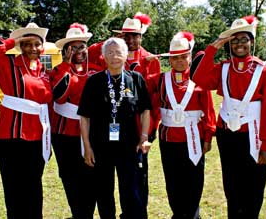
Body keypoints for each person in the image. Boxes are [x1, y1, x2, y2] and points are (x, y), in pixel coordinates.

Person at [191, 15, 266, 219]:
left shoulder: (264, 71)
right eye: (234, 40)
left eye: (244, 39)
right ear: (229, 44)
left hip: (253, 136)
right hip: (228, 136)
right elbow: (199, 79)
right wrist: (213, 48)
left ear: (252, 42)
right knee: (232, 187)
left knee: (253, 189)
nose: (239, 44)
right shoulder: (223, 67)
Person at [0, 23, 52, 218]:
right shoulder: (7, 65)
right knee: (14, 190)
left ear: (43, 46)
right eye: (26, 44)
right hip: (12, 137)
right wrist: (12, 42)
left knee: (34, 187)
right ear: (20, 46)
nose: (32, 48)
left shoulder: (44, 72)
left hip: (38, 139)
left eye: (36, 43)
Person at [78, 37, 152, 219]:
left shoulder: (136, 79)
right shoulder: (94, 81)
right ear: (103, 56)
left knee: (130, 189)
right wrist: (87, 147)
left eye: (119, 52)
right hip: (101, 146)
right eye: (110, 52)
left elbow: (145, 111)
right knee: (103, 191)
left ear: (126, 55)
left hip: (129, 145)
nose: (115, 56)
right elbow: (84, 117)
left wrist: (144, 137)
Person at [147, 31, 216, 219]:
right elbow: (151, 109)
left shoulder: (198, 80)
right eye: (175, 57)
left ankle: (193, 215)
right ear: (170, 59)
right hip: (168, 140)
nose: (179, 61)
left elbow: (208, 109)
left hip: (194, 138)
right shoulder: (159, 80)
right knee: (173, 181)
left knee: (194, 181)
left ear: (190, 57)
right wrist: (148, 133)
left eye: (183, 57)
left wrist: (208, 137)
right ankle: (178, 214)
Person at [50, 23, 104, 218]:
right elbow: (59, 97)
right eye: (72, 48)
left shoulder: (97, 70)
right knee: (70, 177)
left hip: (92, 132)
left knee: (91, 176)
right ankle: (78, 213)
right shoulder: (58, 71)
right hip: (65, 134)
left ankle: (87, 213)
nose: (78, 51)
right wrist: (66, 66)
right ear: (65, 51)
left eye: (82, 47)